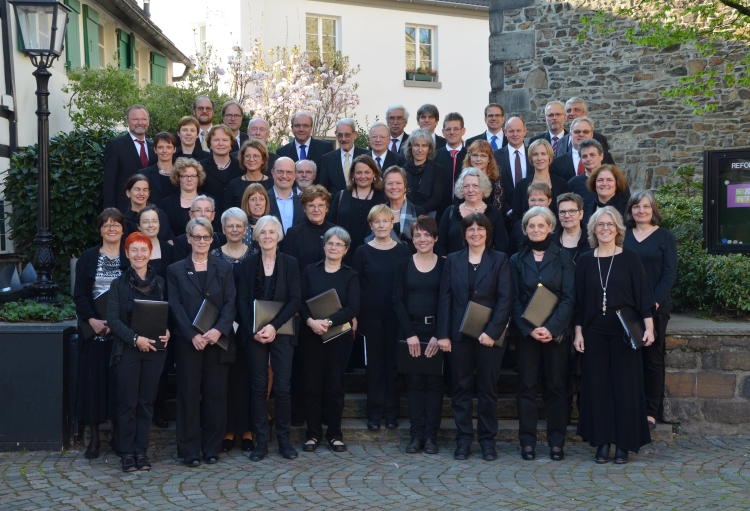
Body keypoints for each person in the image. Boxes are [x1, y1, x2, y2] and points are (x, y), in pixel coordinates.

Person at [573, 207, 655, 464]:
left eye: (610, 224)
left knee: (625, 387)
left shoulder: (630, 257)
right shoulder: (586, 260)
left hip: (624, 331)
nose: (605, 228)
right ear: (593, 229)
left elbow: (643, 296)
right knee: (598, 388)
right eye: (600, 224)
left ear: (618, 228)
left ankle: (623, 443)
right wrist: (578, 332)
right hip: (594, 330)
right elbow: (578, 301)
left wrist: (649, 327)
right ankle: (602, 442)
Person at [436, 212, 513, 461]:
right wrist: (444, 335)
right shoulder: (453, 260)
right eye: (471, 229)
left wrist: (492, 332)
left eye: (480, 229)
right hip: (458, 336)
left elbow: (505, 300)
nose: (476, 233)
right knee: (460, 388)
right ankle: (464, 440)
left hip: (489, 337)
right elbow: (445, 299)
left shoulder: (500, 260)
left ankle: (488, 441)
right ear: (464, 234)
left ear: (487, 233)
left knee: (488, 390)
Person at [168, 217, 237, 467]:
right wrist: (192, 334)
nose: (201, 241)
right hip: (189, 342)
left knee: (215, 394)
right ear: (188, 238)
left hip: (217, 341)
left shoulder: (223, 267)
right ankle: (189, 450)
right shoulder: (175, 269)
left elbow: (231, 303)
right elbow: (175, 306)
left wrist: (219, 330)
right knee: (188, 394)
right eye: (196, 237)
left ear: (211, 239)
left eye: (206, 237)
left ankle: (212, 447)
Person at [509, 206, 575, 461]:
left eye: (541, 225)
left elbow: (569, 298)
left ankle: (556, 442)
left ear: (550, 227)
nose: (536, 230)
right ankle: (527, 442)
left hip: (556, 334)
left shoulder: (563, 257)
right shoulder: (516, 259)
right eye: (531, 226)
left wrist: (552, 328)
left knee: (556, 387)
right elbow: (513, 300)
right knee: (526, 387)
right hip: (528, 334)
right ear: (525, 229)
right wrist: (530, 329)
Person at [237, 216, 301, 461]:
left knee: (283, 387)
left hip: (282, 332)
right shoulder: (248, 264)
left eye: (271, 232)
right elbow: (242, 300)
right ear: (256, 236)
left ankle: (284, 441)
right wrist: (252, 329)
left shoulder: (291, 263)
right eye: (262, 232)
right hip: (254, 335)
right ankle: (261, 441)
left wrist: (273, 326)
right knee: (258, 387)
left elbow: (295, 299)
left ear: (278, 235)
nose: (267, 236)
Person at [107, 232, 170, 472]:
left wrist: (167, 332)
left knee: (146, 403)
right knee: (127, 403)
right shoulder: (118, 284)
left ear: (150, 253)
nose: (139, 254)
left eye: (144, 249)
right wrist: (135, 339)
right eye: (134, 250)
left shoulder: (161, 283)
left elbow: (165, 315)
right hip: (128, 350)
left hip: (154, 349)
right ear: (127, 253)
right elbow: (112, 319)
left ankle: (141, 452)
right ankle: (126, 454)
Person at [73, 208, 128, 459]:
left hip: (121, 334)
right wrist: (92, 320)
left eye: (115, 224)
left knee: (118, 385)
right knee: (93, 386)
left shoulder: (129, 257)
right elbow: (80, 294)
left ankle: (118, 435)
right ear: (100, 230)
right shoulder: (87, 257)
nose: (111, 229)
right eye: (106, 225)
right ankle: (94, 439)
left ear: (122, 228)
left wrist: (118, 324)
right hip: (94, 332)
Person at [300, 227, 360, 452]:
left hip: (339, 337)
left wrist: (328, 322)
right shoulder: (309, 271)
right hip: (311, 335)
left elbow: (353, 307)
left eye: (339, 245)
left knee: (335, 386)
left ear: (345, 250)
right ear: (324, 245)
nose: (334, 248)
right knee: (312, 386)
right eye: (330, 243)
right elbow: (300, 301)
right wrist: (311, 322)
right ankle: (313, 434)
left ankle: (335, 434)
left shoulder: (350, 275)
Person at [352, 205, 411, 431]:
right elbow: (355, 286)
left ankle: (391, 414)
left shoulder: (403, 251)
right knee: (374, 367)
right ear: (371, 225)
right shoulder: (361, 252)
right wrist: (355, 316)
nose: (381, 225)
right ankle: (374, 414)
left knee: (393, 366)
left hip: (397, 317)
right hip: (370, 318)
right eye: (376, 222)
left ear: (392, 223)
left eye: (385, 221)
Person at [281, 185, 336, 426]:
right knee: (301, 363)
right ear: (304, 208)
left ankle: (325, 414)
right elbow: (288, 270)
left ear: (327, 208)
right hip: (300, 305)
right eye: (311, 205)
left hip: (330, 307)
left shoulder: (336, 233)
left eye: (320, 205)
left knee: (327, 365)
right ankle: (299, 414)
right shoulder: (293, 233)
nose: (316, 209)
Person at [623, 190, 677, 430]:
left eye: (646, 207)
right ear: (630, 210)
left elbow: (669, 274)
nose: (641, 211)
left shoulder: (665, 237)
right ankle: (630, 407)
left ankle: (650, 412)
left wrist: (652, 302)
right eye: (636, 207)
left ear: (653, 210)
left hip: (656, 307)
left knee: (652, 358)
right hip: (626, 307)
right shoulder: (622, 236)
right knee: (628, 360)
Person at [392, 216, 445, 454]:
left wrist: (438, 334)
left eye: (426, 235)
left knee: (434, 385)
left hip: (436, 333)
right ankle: (416, 436)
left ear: (435, 238)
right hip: (411, 333)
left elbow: (448, 301)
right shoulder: (403, 264)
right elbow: (397, 300)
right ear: (412, 239)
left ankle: (431, 437)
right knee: (414, 384)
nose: (422, 239)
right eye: (417, 235)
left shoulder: (445, 265)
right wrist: (410, 333)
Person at [208, 208, 255, 455]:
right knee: (224, 379)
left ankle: (247, 430)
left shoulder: (255, 254)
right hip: (222, 326)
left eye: (239, 226)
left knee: (246, 377)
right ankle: (226, 430)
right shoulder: (214, 255)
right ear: (223, 230)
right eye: (230, 226)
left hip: (248, 326)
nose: (235, 230)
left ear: (246, 229)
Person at [134, 206, 174, 429]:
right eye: (146, 222)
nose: (150, 225)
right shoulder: (132, 249)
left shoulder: (169, 251)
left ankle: (159, 412)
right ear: (139, 225)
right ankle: (140, 414)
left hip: (163, 315)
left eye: (154, 221)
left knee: (162, 367)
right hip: (137, 317)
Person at [327, 154, 386, 264]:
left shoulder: (383, 198)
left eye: (367, 172)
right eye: (359, 172)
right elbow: (331, 226)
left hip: (372, 256)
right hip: (342, 256)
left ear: (374, 174)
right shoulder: (341, 196)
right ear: (353, 174)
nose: (363, 176)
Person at [437, 168, 508, 256]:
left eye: (475, 186)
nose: (470, 190)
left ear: (483, 188)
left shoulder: (494, 213)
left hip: (486, 268)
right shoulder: (450, 212)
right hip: (454, 267)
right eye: (466, 186)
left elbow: (501, 247)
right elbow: (441, 245)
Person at [103, 105, 157, 211]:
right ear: (127, 121)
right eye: (135, 119)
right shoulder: (115, 146)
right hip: (124, 209)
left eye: (143, 119)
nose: (140, 123)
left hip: (150, 209)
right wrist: (110, 212)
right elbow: (109, 182)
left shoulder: (154, 147)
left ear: (148, 122)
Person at [512, 139, 569, 224]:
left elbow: (564, 213)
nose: (539, 158)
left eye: (543, 154)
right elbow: (516, 216)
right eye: (535, 154)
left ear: (549, 156)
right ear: (531, 158)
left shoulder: (562, 184)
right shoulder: (521, 185)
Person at [199, 125, 241, 223]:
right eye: (216, 140)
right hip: (208, 221)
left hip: (236, 222)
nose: (221, 144)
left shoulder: (241, 166)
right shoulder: (200, 167)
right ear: (209, 143)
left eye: (225, 140)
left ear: (231, 143)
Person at [551, 117, 615, 181]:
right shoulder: (558, 162)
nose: (581, 134)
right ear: (570, 134)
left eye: (585, 132)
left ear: (592, 134)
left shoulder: (606, 157)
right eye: (577, 131)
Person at [319, 118, 367, 198]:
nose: (343, 139)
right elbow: (323, 189)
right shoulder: (327, 159)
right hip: (336, 207)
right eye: (340, 135)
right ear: (336, 134)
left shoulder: (366, 156)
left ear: (355, 135)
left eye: (347, 135)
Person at [493, 117, 530, 221]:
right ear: (505, 132)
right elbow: (493, 187)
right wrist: (508, 210)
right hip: (504, 217)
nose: (515, 134)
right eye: (511, 131)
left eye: (518, 130)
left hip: (531, 214)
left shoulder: (533, 155)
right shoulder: (495, 157)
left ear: (524, 131)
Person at [382, 166, 425, 252]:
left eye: (398, 183)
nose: (394, 187)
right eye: (390, 183)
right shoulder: (378, 212)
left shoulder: (418, 211)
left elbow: (423, 240)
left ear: (405, 187)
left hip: (410, 259)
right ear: (385, 187)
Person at [402, 128, 444, 215]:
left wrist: (418, 211)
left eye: (424, 145)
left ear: (429, 148)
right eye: (416, 145)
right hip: (405, 215)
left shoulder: (437, 170)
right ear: (410, 147)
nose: (420, 149)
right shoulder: (403, 170)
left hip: (428, 217)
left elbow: (436, 198)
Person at [171, 195, 227, 261]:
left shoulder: (222, 239)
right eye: (198, 210)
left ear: (213, 215)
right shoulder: (180, 242)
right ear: (190, 215)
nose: (203, 214)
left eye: (207, 210)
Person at [434, 113, 468, 217]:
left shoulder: (470, 155)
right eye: (448, 129)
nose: (452, 132)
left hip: (466, 210)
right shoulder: (434, 156)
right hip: (440, 211)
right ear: (443, 132)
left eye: (456, 129)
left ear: (463, 131)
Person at [122, 174, 174, 242]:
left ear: (149, 193)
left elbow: (170, 239)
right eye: (137, 189)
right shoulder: (124, 222)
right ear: (128, 193)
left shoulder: (160, 214)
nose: (141, 193)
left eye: (145, 190)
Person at [225, 139, 274, 210]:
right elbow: (228, 213)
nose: (251, 159)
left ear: (263, 160)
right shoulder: (233, 185)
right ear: (243, 159)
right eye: (247, 156)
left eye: (256, 156)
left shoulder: (273, 184)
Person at [507, 183, 554, 256]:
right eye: (532, 200)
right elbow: (511, 253)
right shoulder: (518, 226)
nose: (536, 204)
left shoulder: (557, 225)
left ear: (549, 201)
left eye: (541, 200)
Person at [162, 158, 205, 236]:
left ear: (198, 178)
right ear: (178, 178)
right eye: (185, 176)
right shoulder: (167, 203)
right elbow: (166, 231)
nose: (189, 179)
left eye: (193, 176)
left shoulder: (208, 200)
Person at [463, 140, 505, 212]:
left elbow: (497, 212)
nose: (478, 159)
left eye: (483, 156)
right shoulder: (462, 179)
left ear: (489, 159)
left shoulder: (496, 182)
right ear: (469, 157)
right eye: (475, 155)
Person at [142, 131, 179, 208]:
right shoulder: (144, 174)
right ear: (155, 150)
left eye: (168, 147)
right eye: (160, 147)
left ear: (174, 149)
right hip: (152, 217)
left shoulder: (181, 174)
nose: (164, 151)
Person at [268, 157, 304, 234]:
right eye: (280, 171)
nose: (284, 176)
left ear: (294, 175)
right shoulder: (263, 199)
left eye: (289, 172)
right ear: (273, 173)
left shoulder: (302, 202)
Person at [553, 192, 590, 262]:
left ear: (581, 214)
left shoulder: (592, 240)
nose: (567, 215)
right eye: (562, 212)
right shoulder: (550, 241)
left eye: (572, 211)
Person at [240, 183, 270, 252]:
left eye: (261, 199)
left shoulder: (272, 225)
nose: (258, 203)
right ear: (246, 202)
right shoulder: (240, 227)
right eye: (253, 199)